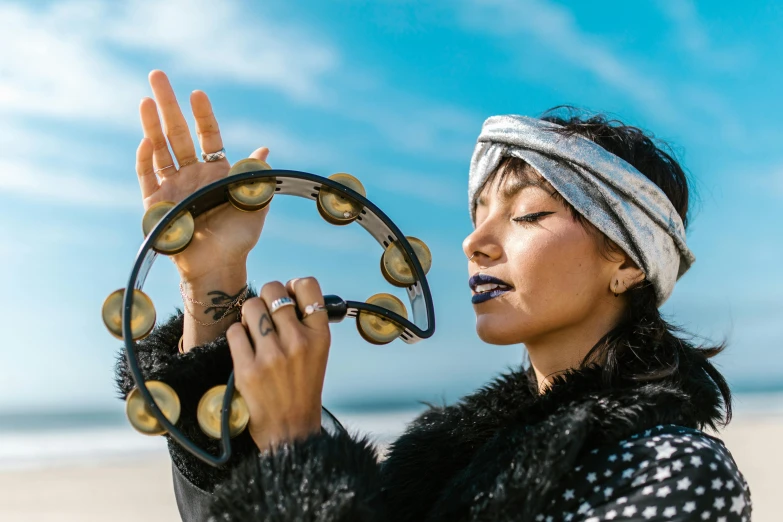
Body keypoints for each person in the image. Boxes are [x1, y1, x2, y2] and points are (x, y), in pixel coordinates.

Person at [116, 70, 752, 521]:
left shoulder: (678, 470)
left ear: (627, 263)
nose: (475, 242)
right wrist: (214, 279)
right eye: (476, 216)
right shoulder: (441, 471)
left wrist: (297, 450)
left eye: (527, 215)